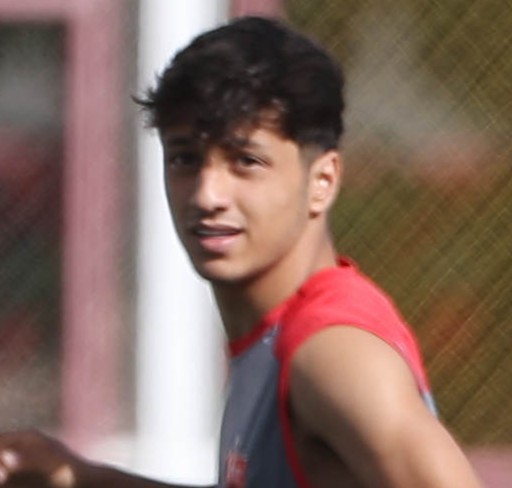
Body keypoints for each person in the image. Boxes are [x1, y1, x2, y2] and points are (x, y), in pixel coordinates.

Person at [0, 16, 483, 488]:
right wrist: (81, 477)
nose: (207, 194)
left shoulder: (330, 354)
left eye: (246, 161)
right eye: (186, 158)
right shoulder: (277, 337)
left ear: (323, 181)